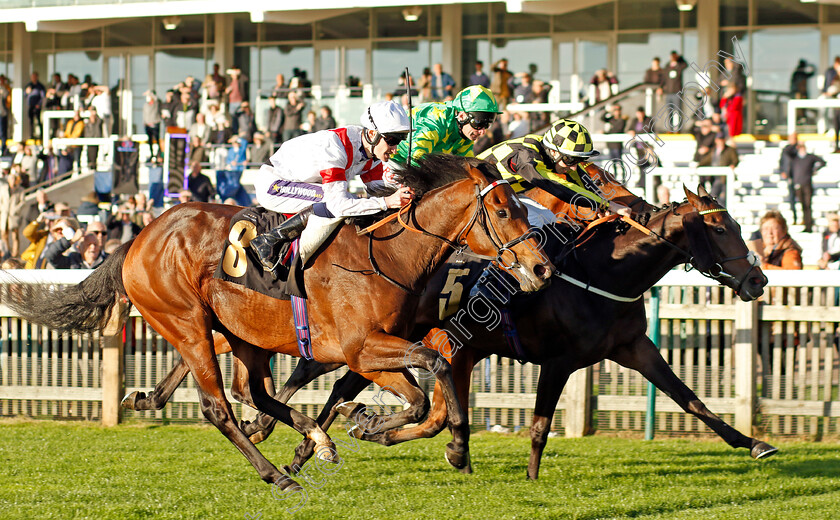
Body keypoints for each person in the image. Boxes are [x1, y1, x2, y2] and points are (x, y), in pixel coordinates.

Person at [249, 100, 414, 273]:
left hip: (299, 183)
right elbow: (340, 205)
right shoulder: (335, 147)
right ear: (372, 134)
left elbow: (380, 195)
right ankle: (269, 240)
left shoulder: (372, 156)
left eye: (400, 140)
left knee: (357, 203)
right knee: (336, 201)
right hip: (273, 184)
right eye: (392, 140)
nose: (395, 149)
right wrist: (387, 202)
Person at [477, 118, 630, 228]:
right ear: (553, 152)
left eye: (578, 160)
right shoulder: (526, 157)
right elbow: (556, 186)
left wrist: (602, 204)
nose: (574, 167)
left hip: (501, 194)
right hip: (474, 197)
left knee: (548, 218)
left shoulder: (550, 150)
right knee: (536, 220)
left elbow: (580, 178)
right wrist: (606, 204)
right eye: (570, 160)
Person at [388, 85, 501, 170]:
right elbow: (418, 159)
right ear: (462, 115)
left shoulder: (466, 131)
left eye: (487, 125)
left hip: (414, 164)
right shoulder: (437, 119)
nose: (482, 132)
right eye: (479, 123)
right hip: (392, 160)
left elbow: (468, 164)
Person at [785, 142, 826, 233]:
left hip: (807, 184)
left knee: (808, 205)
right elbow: (786, 152)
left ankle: (809, 225)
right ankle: (806, 224)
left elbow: (822, 162)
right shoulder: (795, 158)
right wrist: (794, 144)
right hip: (798, 184)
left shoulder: (810, 157)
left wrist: (814, 170)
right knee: (803, 205)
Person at [662, 51, 688, 132]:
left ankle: (678, 129)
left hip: (677, 93)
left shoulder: (679, 66)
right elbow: (664, 78)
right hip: (669, 93)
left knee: (678, 111)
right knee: (670, 112)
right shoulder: (667, 66)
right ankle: (670, 129)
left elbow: (685, 65)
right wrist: (661, 87)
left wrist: (680, 58)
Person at [24, 72, 46, 140]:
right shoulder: (29, 85)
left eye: (34, 76)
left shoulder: (40, 86)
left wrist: (39, 105)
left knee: (39, 120)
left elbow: (43, 97)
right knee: (31, 121)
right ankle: (31, 135)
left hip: (37, 106)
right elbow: (24, 94)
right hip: (31, 106)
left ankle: (41, 135)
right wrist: (27, 92)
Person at [143, 90, 162, 159]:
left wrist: (150, 93)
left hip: (155, 123)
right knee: (150, 140)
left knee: (156, 139)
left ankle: (158, 154)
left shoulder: (156, 103)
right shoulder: (146, 104)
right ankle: (151, 154)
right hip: (147, 124)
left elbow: (157, 99)